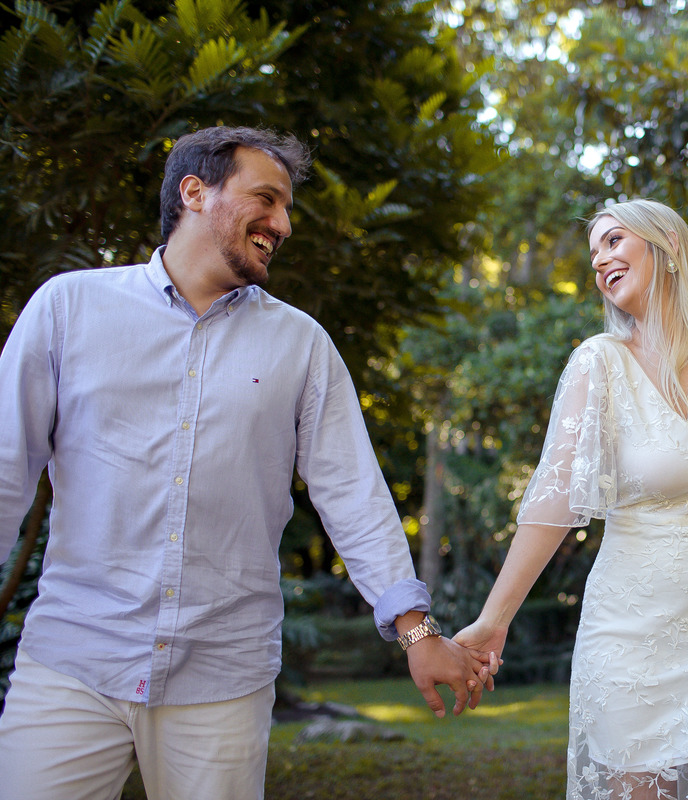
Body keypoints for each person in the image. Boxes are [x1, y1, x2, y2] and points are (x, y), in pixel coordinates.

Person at [0, 126, 497, 800]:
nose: (283, 224)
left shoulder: (302, 345)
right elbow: (6, 470)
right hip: (72, 664)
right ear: (194, 192)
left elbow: (351, 492)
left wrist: (418, 632)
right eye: (266, 199)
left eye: (287, 208)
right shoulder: (67, 309)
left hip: (223, 680)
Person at [454, 198, 688, 799]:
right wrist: (494, 619)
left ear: (669, 246)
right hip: (628, 645)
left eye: (613, 241)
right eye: (593, 252)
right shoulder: (598, 364)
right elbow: (554, 505)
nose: (599, 260)